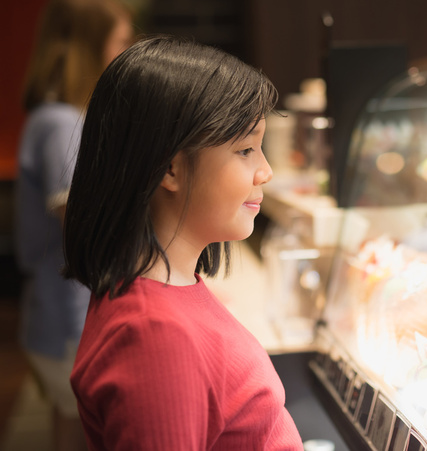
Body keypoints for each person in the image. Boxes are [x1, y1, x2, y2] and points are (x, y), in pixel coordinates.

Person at [62, 35, 304, 450]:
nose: (265, 171)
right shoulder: (155, 339)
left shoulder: (170, 290)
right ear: (170, 168)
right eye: (246, 149)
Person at [14, 0, 132, 450]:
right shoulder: (63, 124)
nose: (125, 55)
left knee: (70, 426)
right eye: (119, 43)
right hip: (70, 320)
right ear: (88, 47)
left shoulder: (52, 117)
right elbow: (85, 224)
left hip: (54, 313)